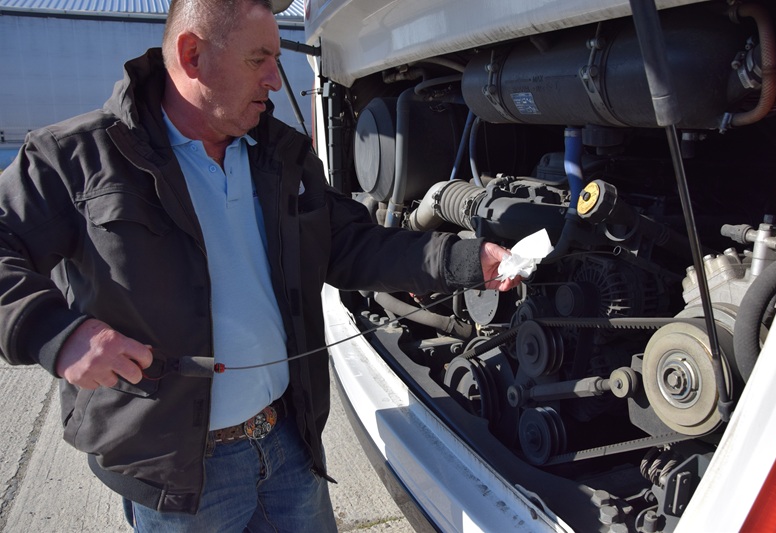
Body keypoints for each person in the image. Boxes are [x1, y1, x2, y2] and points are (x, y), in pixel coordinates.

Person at [0, 0, 520, 530]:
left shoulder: (280, 153)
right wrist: (56, 334)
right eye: (259, 59)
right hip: (181, 479)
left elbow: (349, 244)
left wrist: (464, 259)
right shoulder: (77, 157)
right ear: (192, 55)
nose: (275, 78)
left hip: (287, 445)